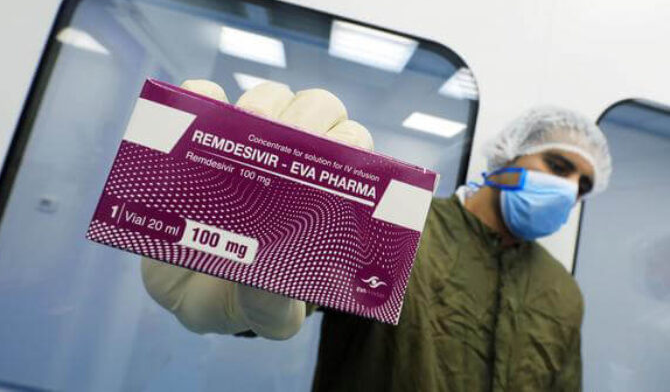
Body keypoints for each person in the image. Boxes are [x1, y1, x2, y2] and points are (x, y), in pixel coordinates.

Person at [141, 79, 612, 392]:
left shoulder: (562, 292)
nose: (569, 189)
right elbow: (296, 293)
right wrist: (238, 282)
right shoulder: (401, 227)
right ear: (509, 156)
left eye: (582, 186)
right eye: (558, 166)